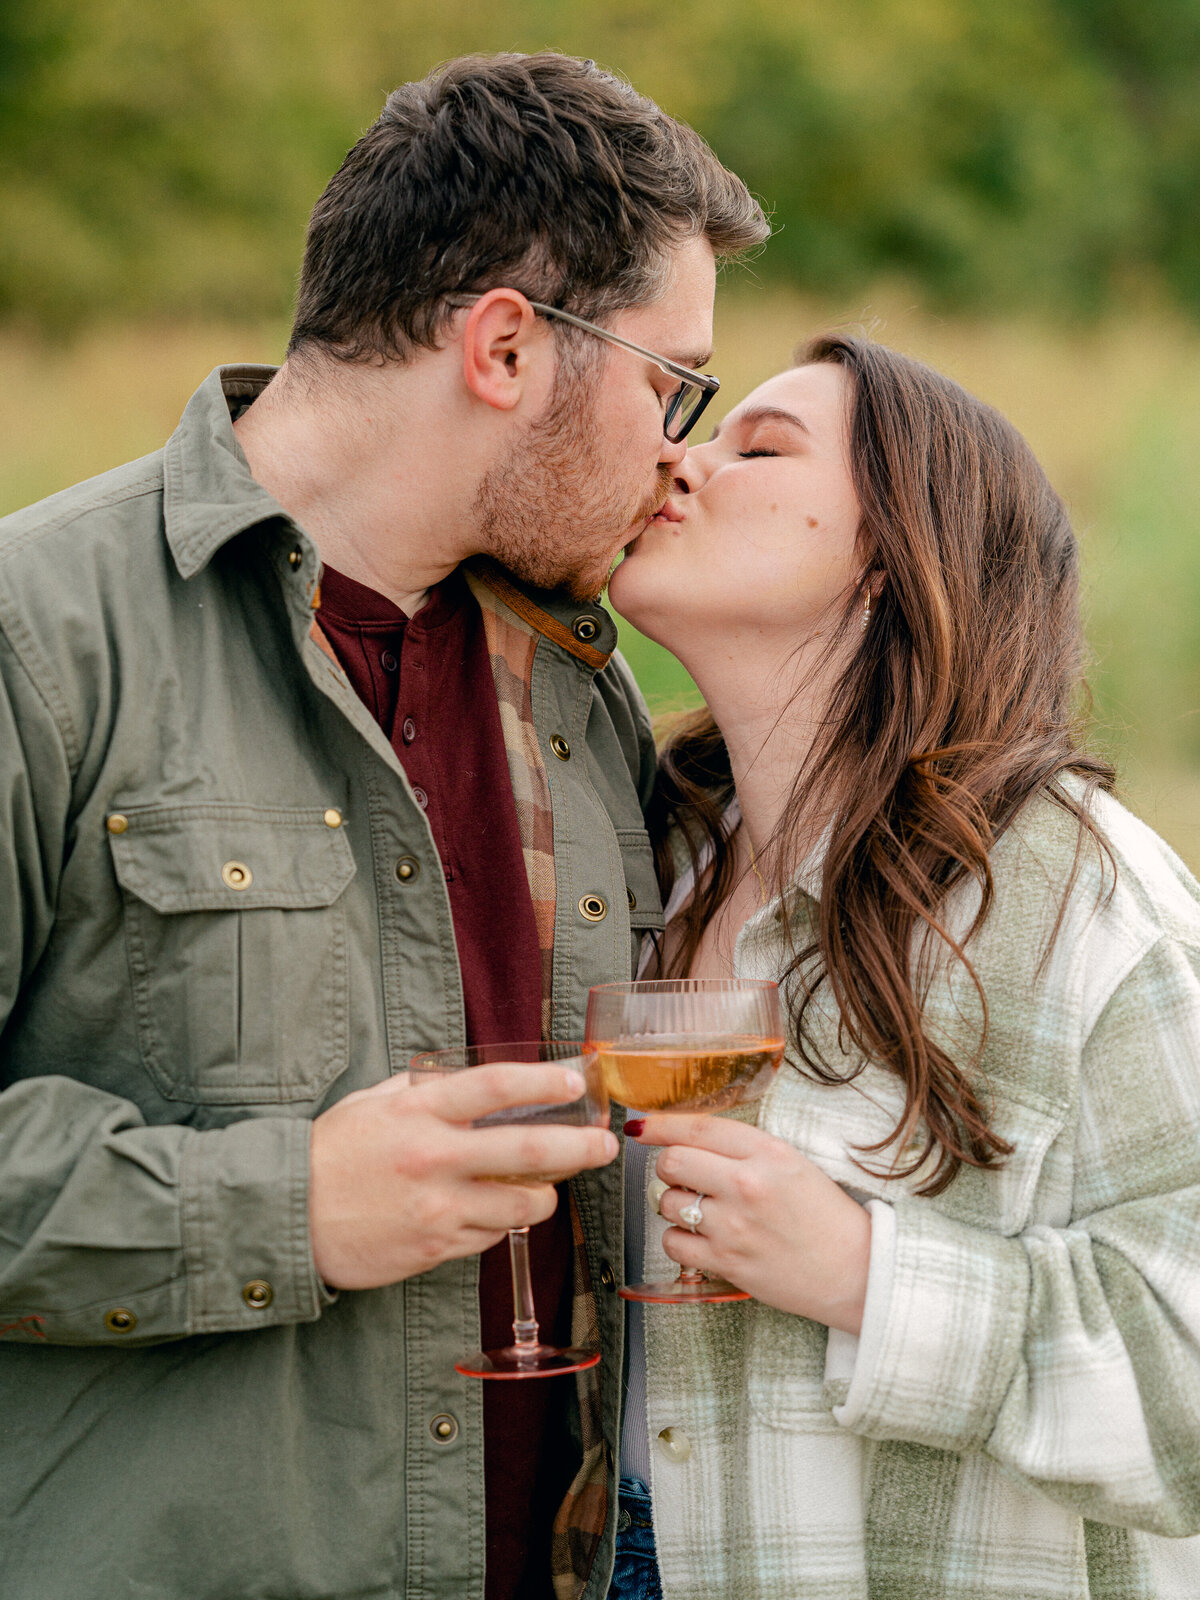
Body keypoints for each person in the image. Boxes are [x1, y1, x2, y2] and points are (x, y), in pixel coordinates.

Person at [0, 53, 768, 1600]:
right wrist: (283, 1208)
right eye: (666, 380)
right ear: (502, 345)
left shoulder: (580, 686)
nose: (681, 447)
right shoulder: (38, 635)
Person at [605, 335, 1200, 1598]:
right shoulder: (640, 855)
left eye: (757, 447)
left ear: (895, 559)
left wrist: (865, 1277)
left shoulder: (1082, 898)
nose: (679, 460)